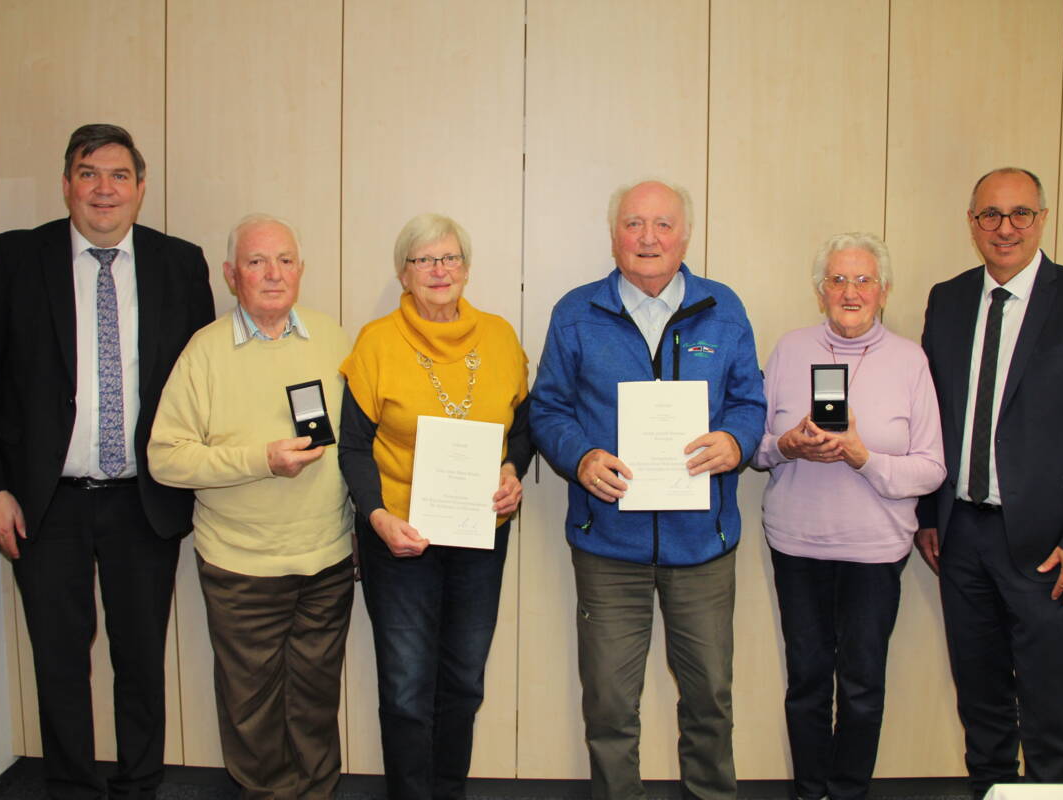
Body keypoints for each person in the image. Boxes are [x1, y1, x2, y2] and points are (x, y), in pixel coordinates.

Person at [0, 123, 214, 798]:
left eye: (119, 175)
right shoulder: (17, 260)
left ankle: (140, 784)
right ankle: (69, 786)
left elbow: (203, 385)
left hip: (143, 499)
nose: (104, 190)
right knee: (60, 661)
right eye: (89, 173)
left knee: (139, 659)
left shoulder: (180, 265)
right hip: (45, 502)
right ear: (67, 183)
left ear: (141, 187)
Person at [528, 180, 765, 800]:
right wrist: (579, 458)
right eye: (635, 224)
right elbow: (547, 408)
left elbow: (750, 400)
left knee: (710, 699)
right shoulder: (576, 312)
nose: (649, 238)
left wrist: (736, 443)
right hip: (609, 546)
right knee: (609, 706)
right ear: (614, 236)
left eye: (663, 224)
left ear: (686, 235)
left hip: (703, 546)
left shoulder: (724, 307)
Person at [916, 167, 1063, 797]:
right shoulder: (947, 299)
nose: (1004, 229)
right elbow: (934, 414)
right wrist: (928, 514)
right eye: (989, 216)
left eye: (1020, 214)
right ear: (972, 223)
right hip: (962, 536)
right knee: (981, 706)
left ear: (1042, 218)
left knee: (1052, 713)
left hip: (1052, 544)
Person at [147, 214, 353, 798]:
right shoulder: (205, 352)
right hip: (242, 568)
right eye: (257, 262)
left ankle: (316, 792)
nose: (273, 274)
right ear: (231, 274)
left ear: (302, 271)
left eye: (285, 260)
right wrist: (259, 459)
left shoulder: (333, 338)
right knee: (252, 710)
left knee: (315, 701)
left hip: (326, 561)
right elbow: (166, 458)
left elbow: (362, 440)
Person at [337, 213, 532, 800]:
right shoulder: (376, 342)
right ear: (403, 273)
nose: (439, 270)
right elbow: (352, 445)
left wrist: (512, 470)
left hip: (479, 538)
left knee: (464, 682)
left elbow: (521, 430)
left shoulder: (499, 337)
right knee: (404, 689)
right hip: (400, 538)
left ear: (467, 269)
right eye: (424, 260)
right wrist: (376, 517)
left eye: (449, 258)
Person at [752, 233, 945, 800]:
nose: (850, 291)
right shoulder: (789, 349)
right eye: (837, 280)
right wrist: (788, 444)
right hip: (797, 546)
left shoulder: (910, 360)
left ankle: (850, 792)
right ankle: (811, 792)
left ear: (884, 290)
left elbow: (931, 468)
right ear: (819, 292)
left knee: (862, 686)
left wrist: (863, 458)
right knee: (807, 683)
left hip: (874, 553)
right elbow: (755, 448)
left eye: (863, 280)